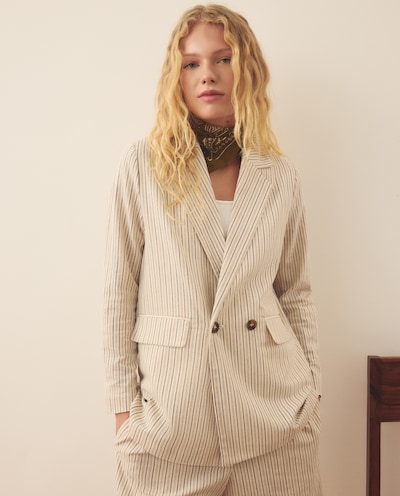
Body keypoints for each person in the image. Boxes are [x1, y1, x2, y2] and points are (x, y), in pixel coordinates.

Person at [104, 4, 322, 495]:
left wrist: (312, 390)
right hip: (170, 424)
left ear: (247, 70)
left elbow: (295, 292)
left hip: (274, 421)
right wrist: (123, 413)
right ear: (176, 78)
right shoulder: (143, 165)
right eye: (192, 63)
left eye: (224, 59)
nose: (208, 74)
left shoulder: (279, 174)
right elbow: (119, 291)